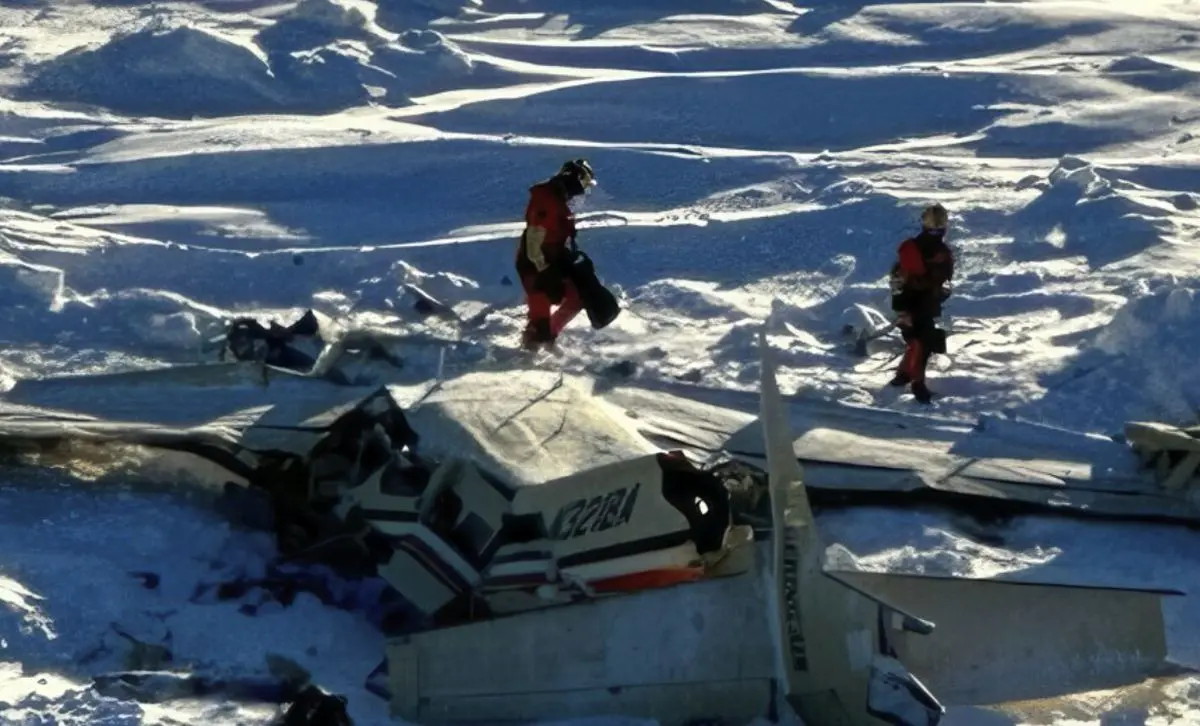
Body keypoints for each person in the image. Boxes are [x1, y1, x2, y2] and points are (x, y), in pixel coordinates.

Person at [515, 158, 596, 352]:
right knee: (540, 317)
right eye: (583, 184)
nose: (583, 191)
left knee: (578, 296)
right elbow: (535, 239)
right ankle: (527, 357)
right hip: (536, 266)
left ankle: (549, 336)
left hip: (555, 261)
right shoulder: (546, 199)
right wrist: (544, 270)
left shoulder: (559, 200)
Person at [888, 203, 955, 404]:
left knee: (916, 341)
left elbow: (897, 276)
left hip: (908, 301)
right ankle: (917, 384)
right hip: (922, 302)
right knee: (921, 343)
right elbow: (942, 278)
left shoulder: (912, 246)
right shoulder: (940, 250)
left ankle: (904, 374)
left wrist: (900, 306)